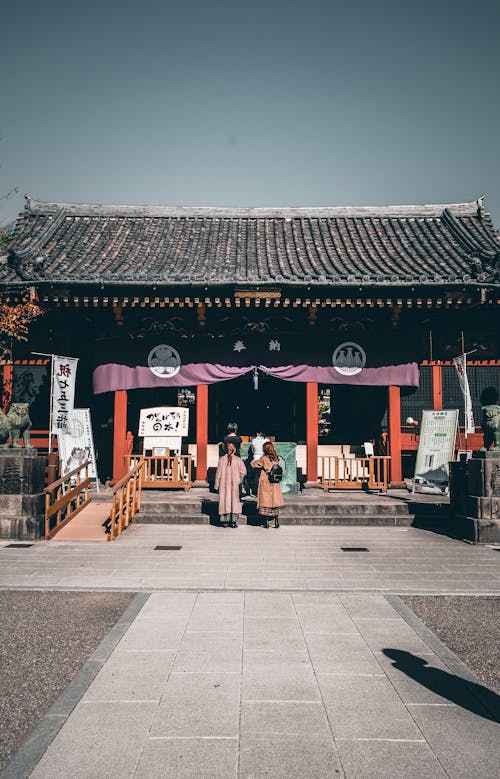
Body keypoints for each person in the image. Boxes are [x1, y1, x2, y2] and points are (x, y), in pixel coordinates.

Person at [250, 441, 284, 528]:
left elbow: (254, 465)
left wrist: (252, 461)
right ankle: (276, 522)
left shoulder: (264, 458)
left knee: (265, 501)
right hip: (275, 482)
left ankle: (266, 522)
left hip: (266, 480)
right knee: (274, 502)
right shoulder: (276, 458)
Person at [214, 441, 247, 527]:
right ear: (234, 450)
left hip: (224, 485)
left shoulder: (221, 460)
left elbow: (218, 474)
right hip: (235, 485)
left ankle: (224, 521)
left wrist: (216, 485)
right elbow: (243, 472)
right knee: (234, 502)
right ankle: (233, 522)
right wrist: (240, 480)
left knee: (225, 501)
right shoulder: (238, 460)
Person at [248, 430, 269, 495]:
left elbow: (253, 450)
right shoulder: (267, 441)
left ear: (257, 433)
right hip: (264, 459)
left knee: (256, 476)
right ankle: (264, 491)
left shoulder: (254, 441)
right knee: (265, 476)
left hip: (256, 460)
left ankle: (256, 491)